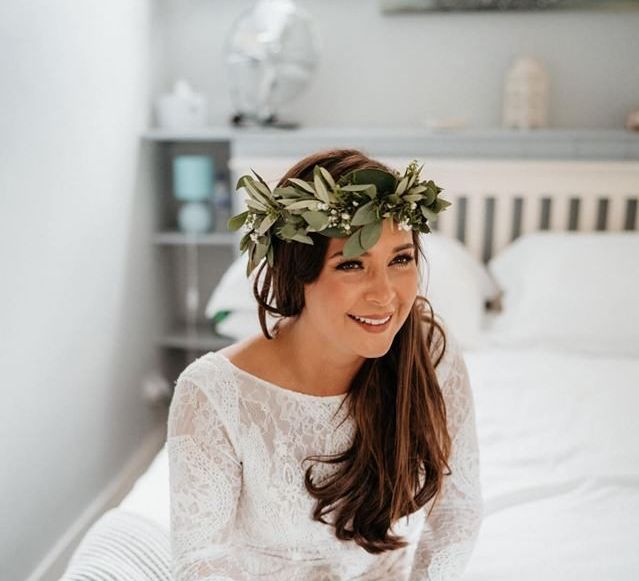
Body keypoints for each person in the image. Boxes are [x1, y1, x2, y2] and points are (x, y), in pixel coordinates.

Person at [166, 149, 483, 580]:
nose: (385, 295)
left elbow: (458, 508)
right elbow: (202, 560)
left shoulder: (429, 352)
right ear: (299, 273)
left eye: (401, 259)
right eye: (351, 264)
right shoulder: (213, 393)